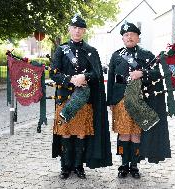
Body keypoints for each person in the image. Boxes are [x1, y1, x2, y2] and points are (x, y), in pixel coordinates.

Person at [50, 14, 112, 179]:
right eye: (74, 28)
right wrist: (71, 80)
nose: (77, 31)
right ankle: (65, 166)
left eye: (80, 28)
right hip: (65, 99)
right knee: (65, 132)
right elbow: (53, 74)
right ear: (70, 29)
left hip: (84, 100)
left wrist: (85, 77)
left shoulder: (91, 51)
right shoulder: (61, 50)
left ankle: (78, 166)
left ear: (84, 31)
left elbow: (97, 73)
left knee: (81, 132)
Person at [107, 22, 171, 179]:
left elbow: (156, 74)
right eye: (126, 35)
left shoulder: (147, 55)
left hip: (139, 99)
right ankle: (123, 164)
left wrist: (142, 73)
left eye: (132, 34)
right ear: (122, 38)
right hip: (120, 98)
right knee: (123, 133)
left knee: (136, 134)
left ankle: (134, 165)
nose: (129, 37)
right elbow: (110, 80)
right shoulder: (116, 55)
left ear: (137, 37)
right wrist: (110, 101)